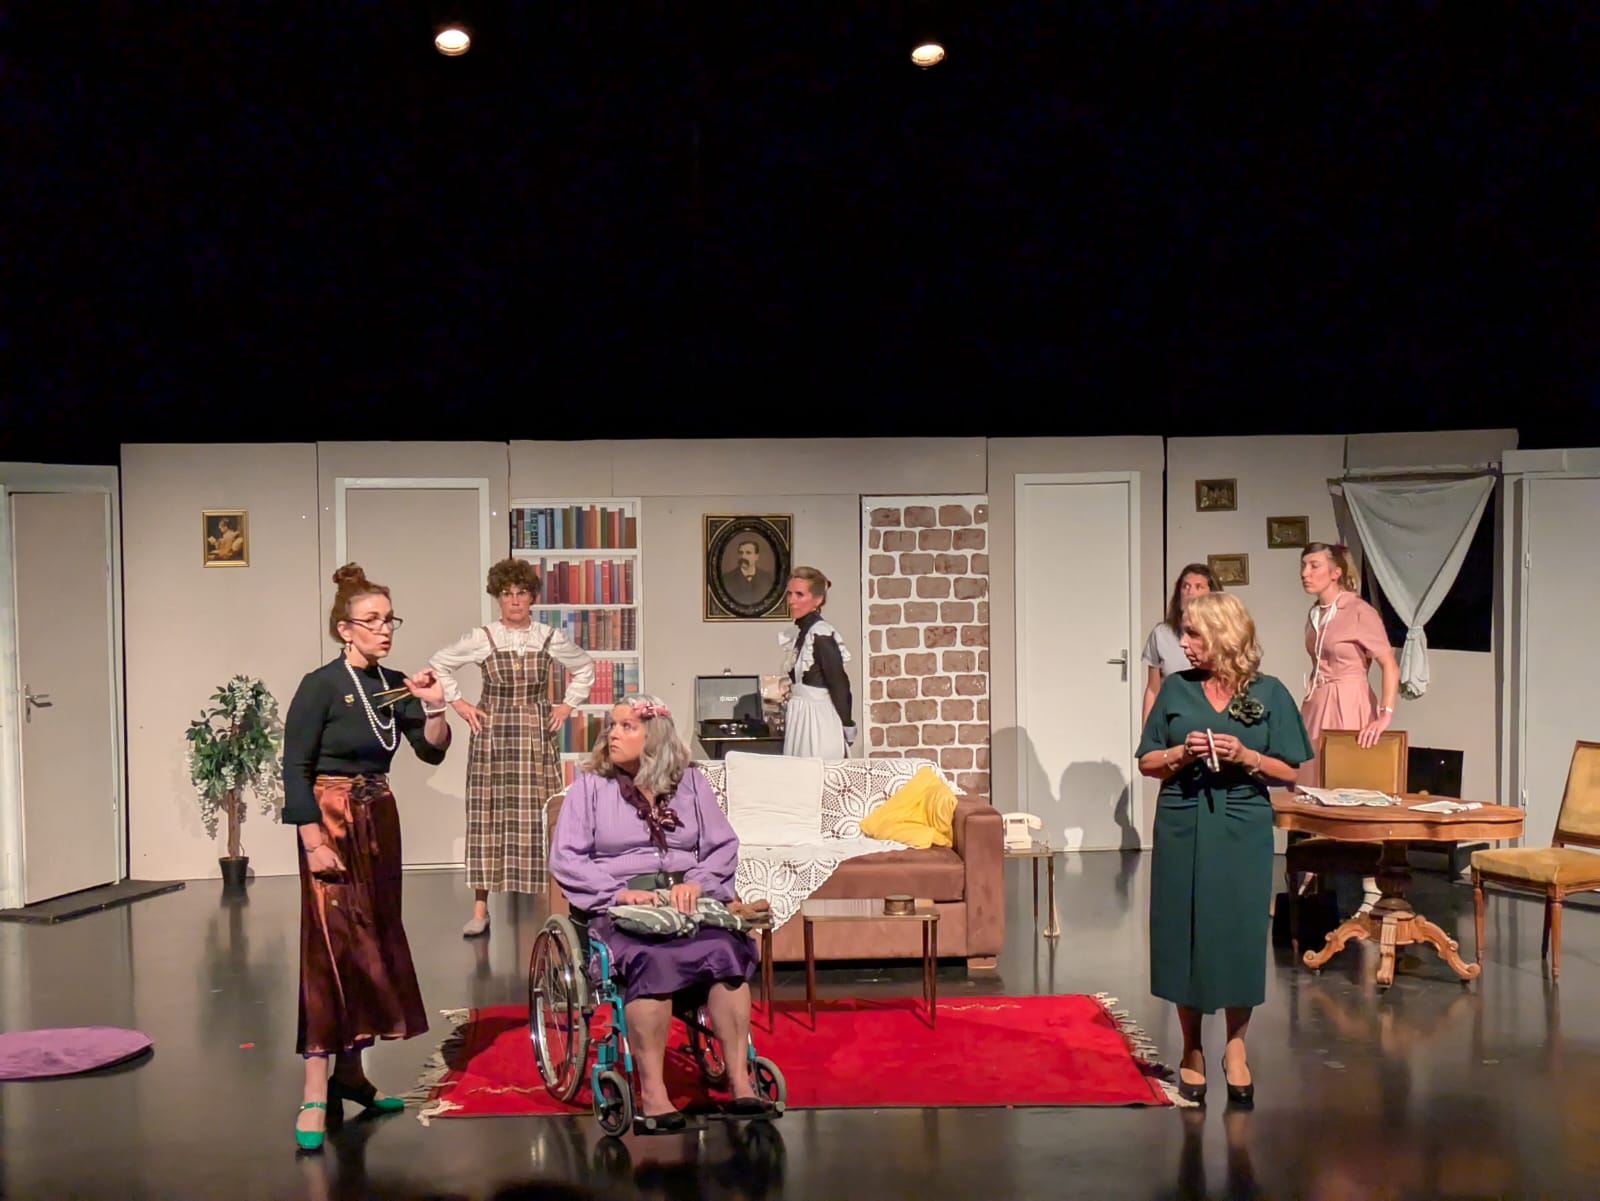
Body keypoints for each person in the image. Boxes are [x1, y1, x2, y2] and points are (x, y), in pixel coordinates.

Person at [282, 563, 452, 1151]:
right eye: (372, 621)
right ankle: (314, 1087)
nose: (384, 630)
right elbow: (294, 768)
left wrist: (435, 706)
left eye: (389, 620)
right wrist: (312, 841)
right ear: (344, 629)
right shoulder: (320, 685)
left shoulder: (394, 684)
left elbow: (430, 751)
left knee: (372, 941)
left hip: (379, 817)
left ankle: (351, 1075)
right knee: (329, 947)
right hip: (330, 818)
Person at [549, 695, 771, 1132]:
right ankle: (652, 1092)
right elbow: (567, 858)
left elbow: (722, 845)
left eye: (627, 727)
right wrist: (618, 893)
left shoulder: (690, 783)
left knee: (726, 951)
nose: (613, 734)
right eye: (612, 726)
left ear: (654, 738)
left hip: (687, 901)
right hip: (621, 906)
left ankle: (740, 1081)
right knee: (651, 960)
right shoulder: (590, 787)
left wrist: (699, 882)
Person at [1136, 592, 1311, 1109]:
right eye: (1184, 634)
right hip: (1183, 818)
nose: (1185, 644)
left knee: (1238, 931)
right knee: (1185, 929)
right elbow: (1147, 761)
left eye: (1194, 634)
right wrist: (1178, 752)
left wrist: (1247, 755)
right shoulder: (1176, 688)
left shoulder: (1269, 692)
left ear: (1224, 637)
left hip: (1242, 821)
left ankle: (1235, 1046)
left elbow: (1291, 769)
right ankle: (1191, 1046)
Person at [429, 557, 596, 938]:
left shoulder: (548, 637)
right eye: (507, 594)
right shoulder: (483, 637)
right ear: (498, 598)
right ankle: (480, 908)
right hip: (493, 732)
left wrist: (566, 706)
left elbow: (584, 667)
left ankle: (551, 904)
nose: (515, 601)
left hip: (535, 731)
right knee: (488, 815)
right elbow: (439, 664)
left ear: (532, 597)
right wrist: (459, 704)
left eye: (521, 593)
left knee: (542, 813)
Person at [1297, 542, 1401, 913]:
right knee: (1312, 788)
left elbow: (1388, 663)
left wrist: (1384, 713)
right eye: (1304, 565)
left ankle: (1368, 884)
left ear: (1336, 571)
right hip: (1319, 702)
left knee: (1348, 788)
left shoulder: (1358, 611)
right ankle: (1314, 875)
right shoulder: (1315, 614)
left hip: (1350, 700)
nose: (1306, 573)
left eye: (1314, 565)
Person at [777, 567, 855, 757]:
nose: (791, 600)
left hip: (818, 720)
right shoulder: (802, 633)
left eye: (799, 594)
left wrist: (847, 725)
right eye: (789, 594)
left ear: (818, 600)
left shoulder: (821, 635)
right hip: (801, 716)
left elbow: (838, 683)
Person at [1141, 563, 1223, 722]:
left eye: (1199, 587)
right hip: (1172, 716)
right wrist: (1146, 731)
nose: (1190, 592)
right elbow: (1153, 689)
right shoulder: (1161, 634)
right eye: (1186, 586)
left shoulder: (1225, 632)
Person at [721, 538, 776, 608]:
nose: (743, 556)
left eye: (748, 553)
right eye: (740, 553)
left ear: (756, 557)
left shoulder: (768, 578)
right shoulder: (727, 579)